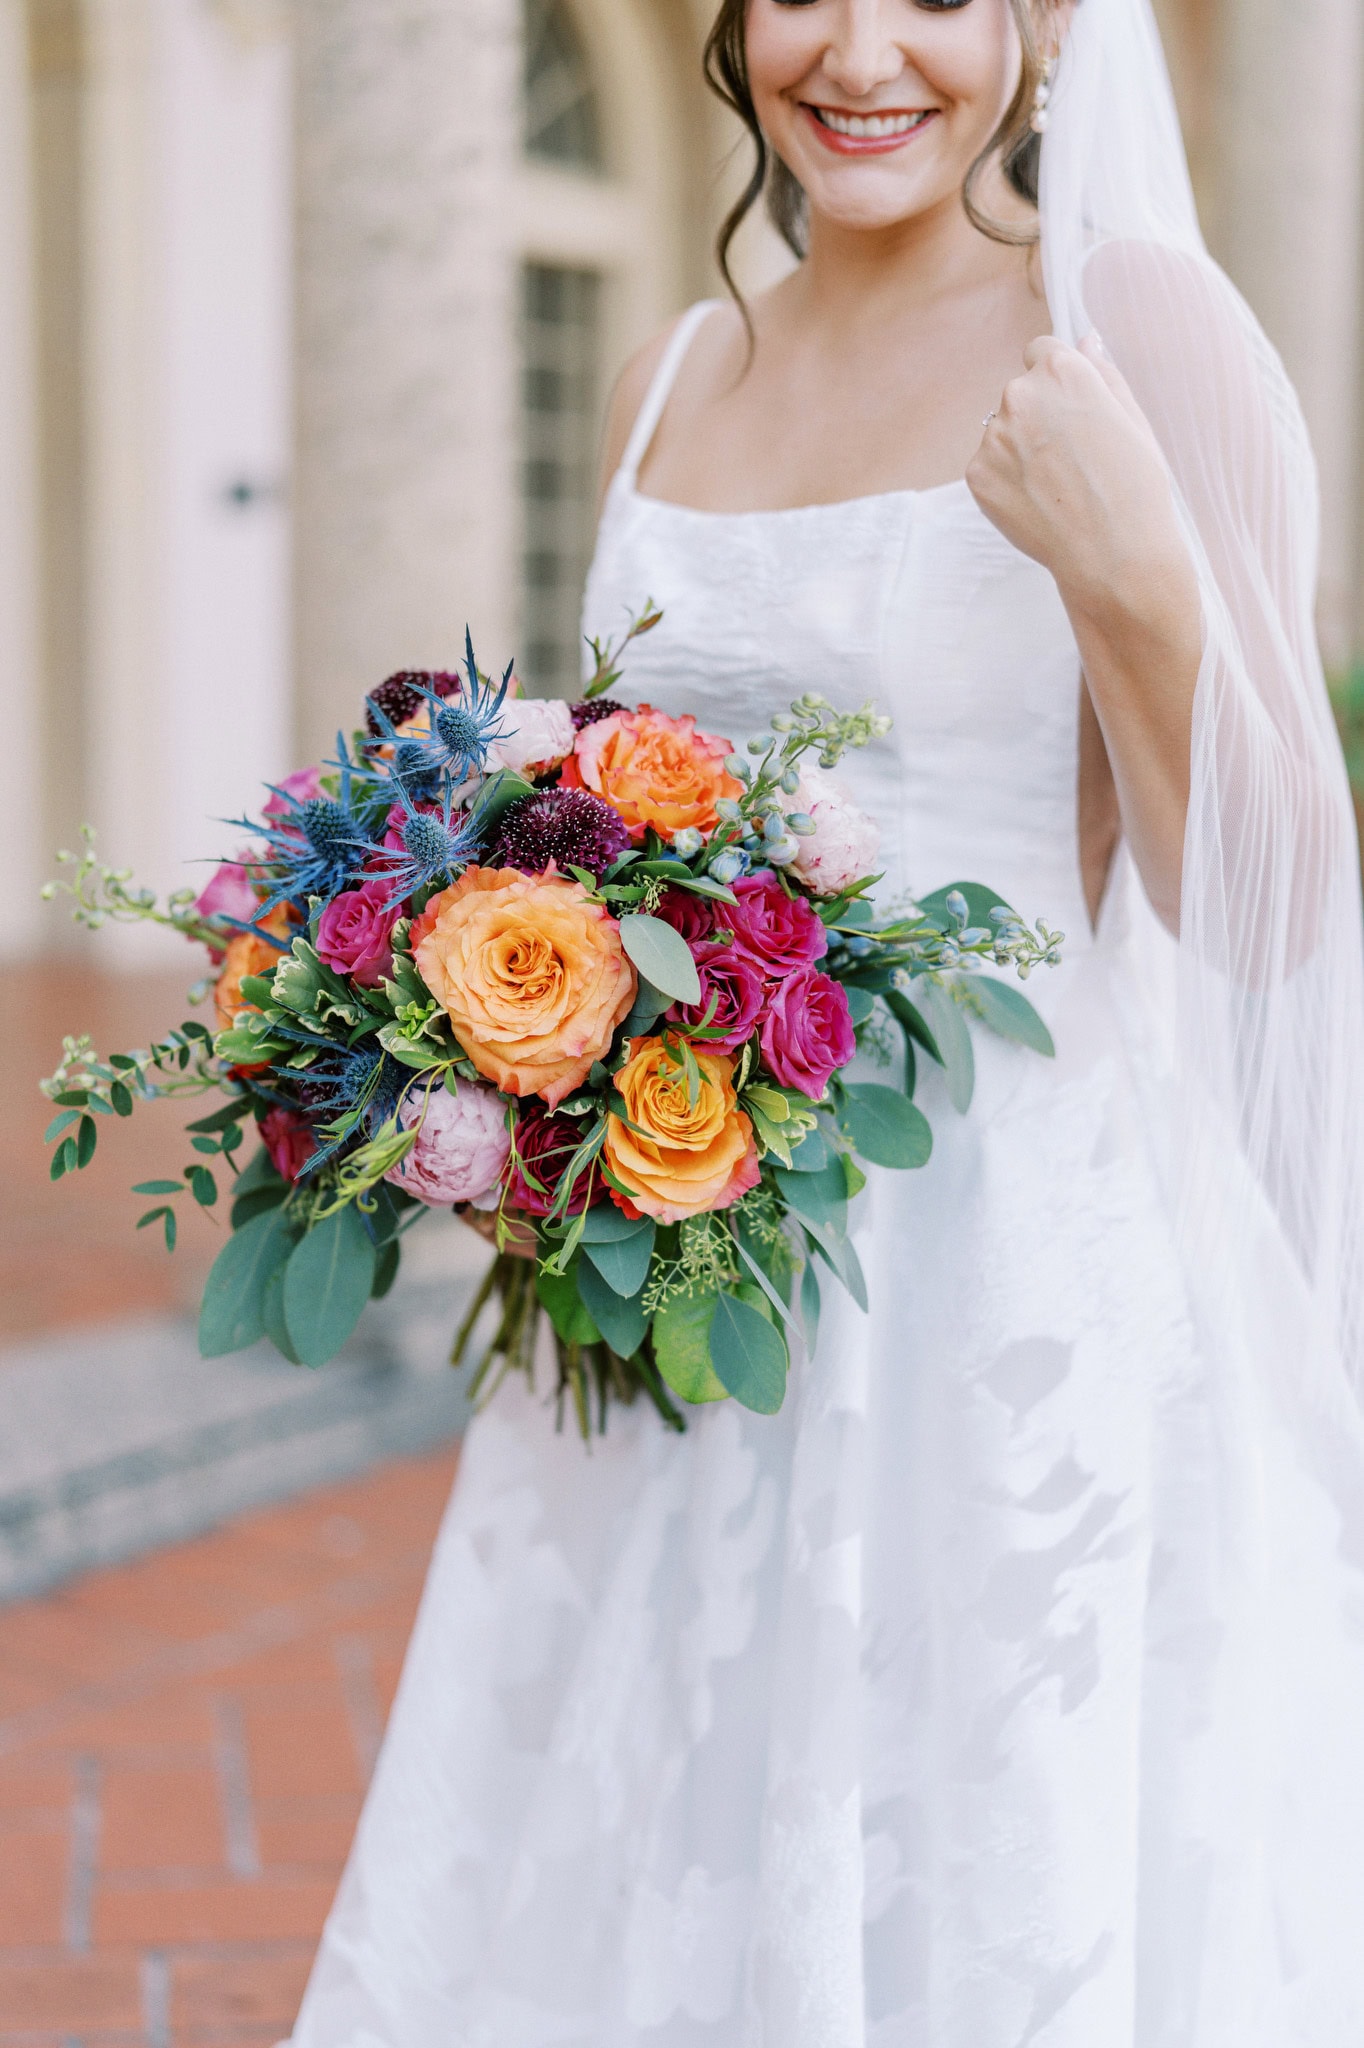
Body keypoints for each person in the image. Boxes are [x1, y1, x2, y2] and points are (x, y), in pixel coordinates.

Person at [289, 0, 1364, 2040]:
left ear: (1043, 20)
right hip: (684, 1265)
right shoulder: (664, 374)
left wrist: (1133, 570)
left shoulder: (1135, 322)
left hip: (1009, 1282)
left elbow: (1288, 901)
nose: (863, 53)